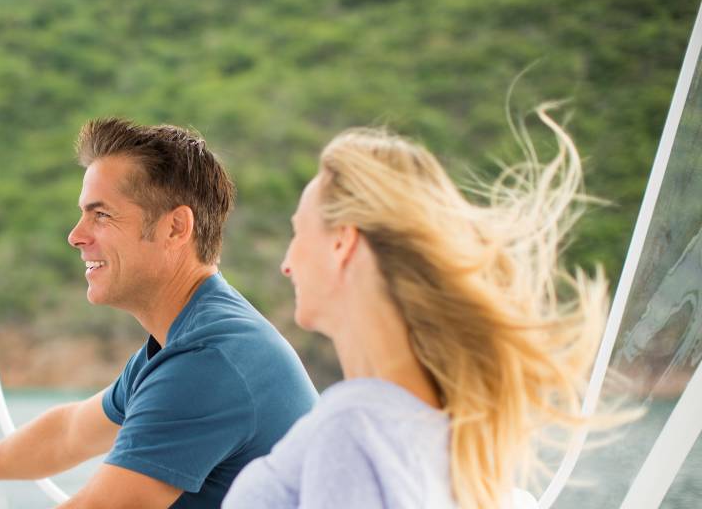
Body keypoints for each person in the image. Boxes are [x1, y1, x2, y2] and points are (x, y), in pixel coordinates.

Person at [0, 118, 318, 507]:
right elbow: (68, 434)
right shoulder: (190, 337)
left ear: (176, 228)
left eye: (101, 215)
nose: (75, 236)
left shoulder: (210, 360)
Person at [225, 105, 607, 508]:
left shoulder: (355, 429)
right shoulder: (450, 438)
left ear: (341, 243)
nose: (286, 263)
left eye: (297, 231)